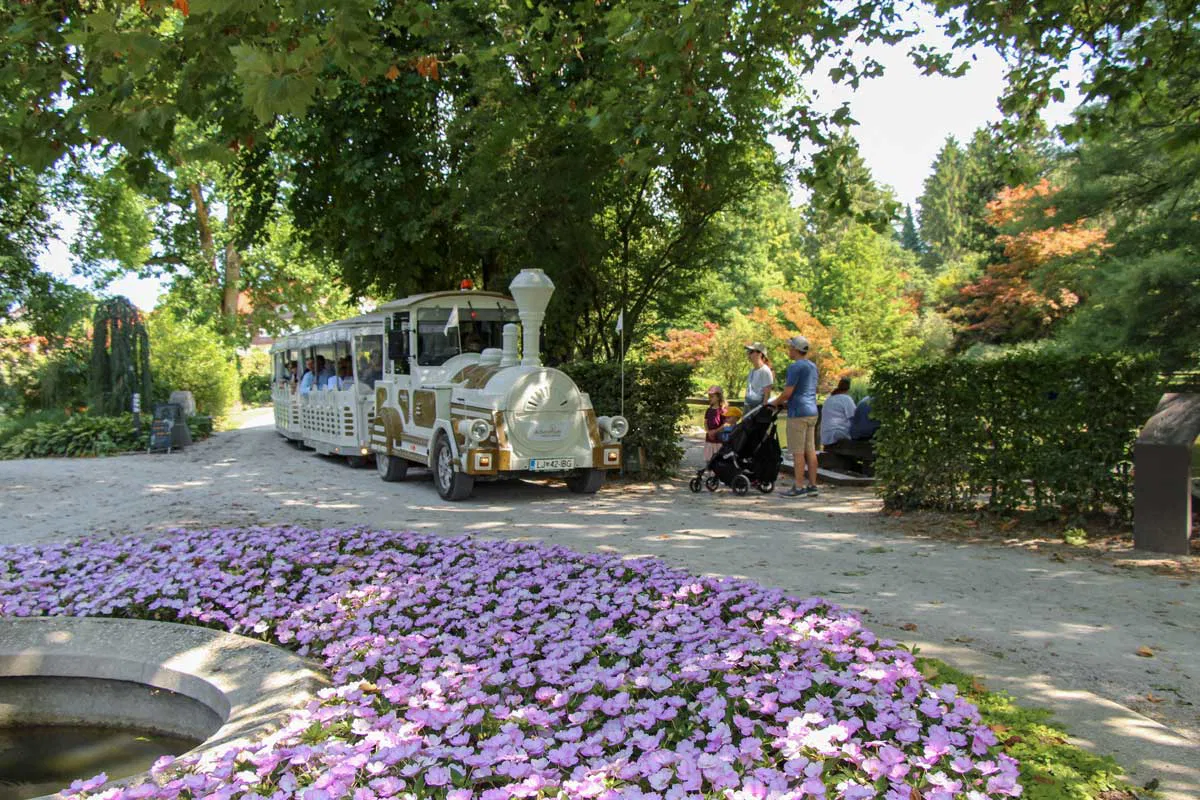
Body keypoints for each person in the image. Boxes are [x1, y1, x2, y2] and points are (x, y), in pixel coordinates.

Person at [768, 335, 819, 498]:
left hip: (798, 412)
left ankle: (798, 487)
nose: (788, 350)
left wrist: (774, 402)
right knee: (810, 450)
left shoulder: (795, 367)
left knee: (797, 452)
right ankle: (812, 485)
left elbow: (788, 393)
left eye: (790, 348)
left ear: (796, 350)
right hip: (812, 411)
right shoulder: (812, 367)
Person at [820, 377, 856, 447]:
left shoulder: (829, 399)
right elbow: (854, 417)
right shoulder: (846, 399)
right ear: (849, 388)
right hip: (837, 434)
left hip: (826, 436)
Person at [702, 386, 731, 461]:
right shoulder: (709, 410)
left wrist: (715, 431)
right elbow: (705, 422)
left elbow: (726, 424)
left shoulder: (723, 410)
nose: (709, 398)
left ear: (718, 397)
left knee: (718, 459)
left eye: (712, 396)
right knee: (708, 459)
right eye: (709, 396)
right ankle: (709, 471)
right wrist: (708, 432)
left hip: (719, 439)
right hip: (709, 438)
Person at [743, 343, 774, 412]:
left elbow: (767, 395)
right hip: (748, 408)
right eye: (748, 352)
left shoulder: (765, 371)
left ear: (760, 354)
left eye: (751, 352)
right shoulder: (752, 371)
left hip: (758, 411)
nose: (748, 354)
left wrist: (762, 412)